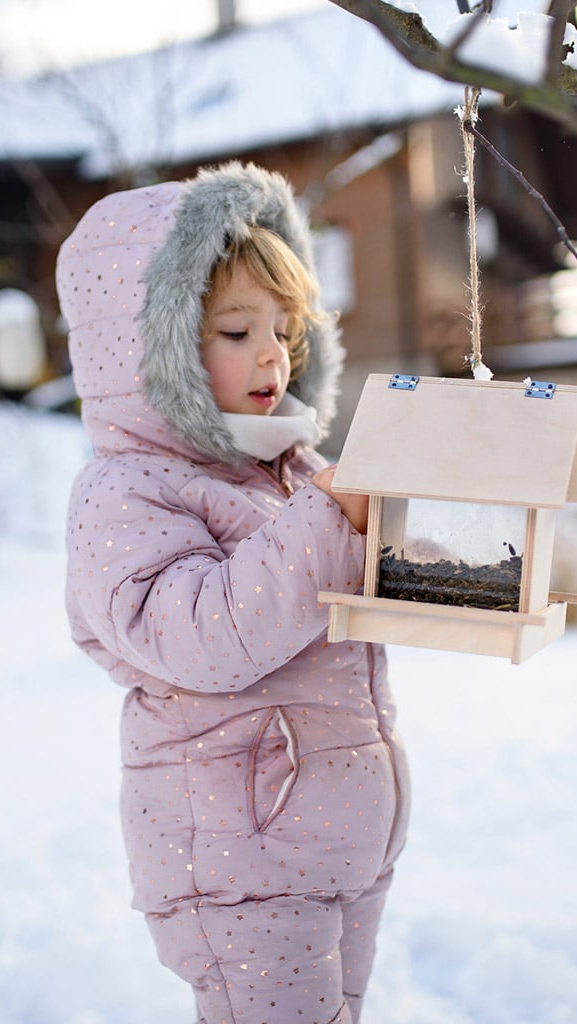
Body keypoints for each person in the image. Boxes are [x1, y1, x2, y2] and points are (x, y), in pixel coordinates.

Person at [57, 162, 410, 1024]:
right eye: (234, 329)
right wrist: (334, 520)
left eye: (285, 329)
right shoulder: (129, 491)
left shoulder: (298, 472)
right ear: (153, 348)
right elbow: (203, 635)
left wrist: (449, 555)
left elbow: (351, 590)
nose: (271, 354)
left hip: (343, 839)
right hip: (238, 860)